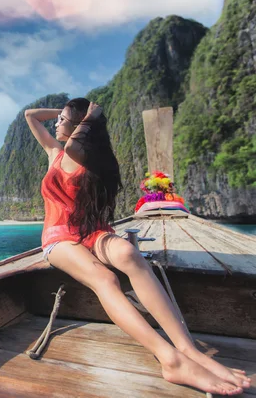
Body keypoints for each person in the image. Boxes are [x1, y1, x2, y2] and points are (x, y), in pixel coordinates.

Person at [25, 98, 250, 395]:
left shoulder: (85, 157)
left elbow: (73, 148)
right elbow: (31, 115)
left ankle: (188, 349)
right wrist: (72, 112)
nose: (57, 124)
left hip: (92, 231)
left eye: (63, 120)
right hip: (58, 237)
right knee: (104, 278)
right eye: (59, 120)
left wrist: (82, 119)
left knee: (129, 254)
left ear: (80, 127)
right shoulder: (55, 151)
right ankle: (170, 359)